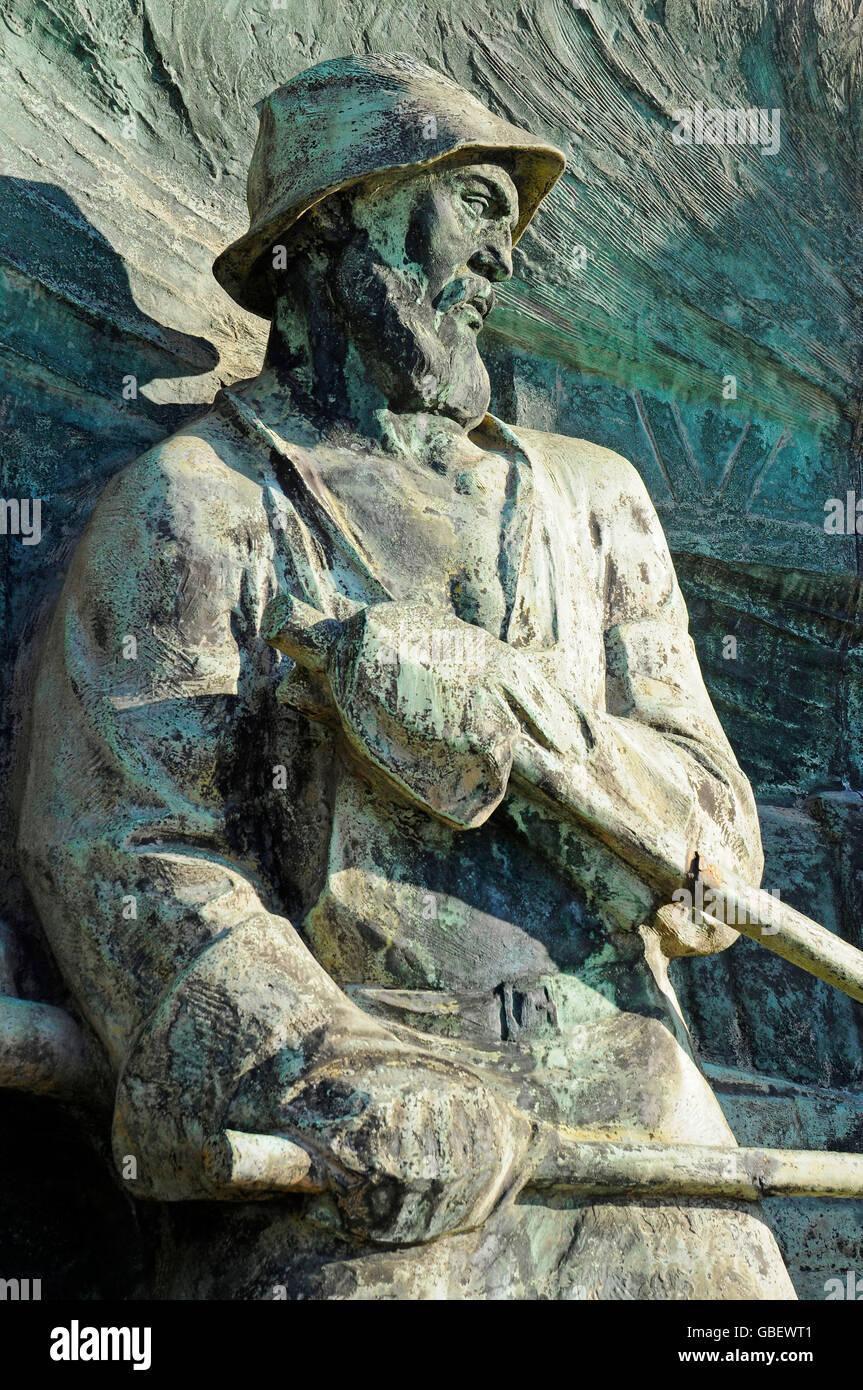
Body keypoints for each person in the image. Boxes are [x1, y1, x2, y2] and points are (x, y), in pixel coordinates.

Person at [18, 53, 795, 1299]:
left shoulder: (590, 502)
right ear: (335, 222)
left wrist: (514, 715)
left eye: (513, 220)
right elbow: (120, 849)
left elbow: (718, 848)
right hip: (362, 1146)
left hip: (637, 1121)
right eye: (473, 204)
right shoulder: (197, 508)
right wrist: (324, 1070)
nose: (503, 257)